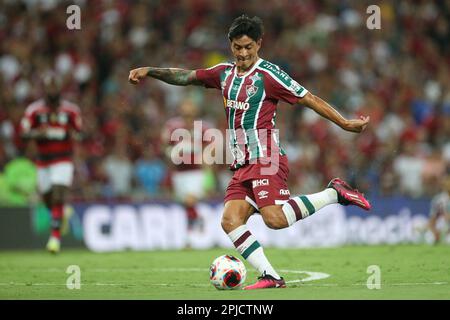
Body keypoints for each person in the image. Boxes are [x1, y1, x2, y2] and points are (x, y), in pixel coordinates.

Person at [129, 15, 371, 289]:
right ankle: (271, 276)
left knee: (275, 220)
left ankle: (334, 193)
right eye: (237, 47)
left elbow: (309, 98)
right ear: (230, 46)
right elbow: (185, 76)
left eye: (248, 47)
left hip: (265, 156)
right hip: (241, 162)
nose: (243, 53)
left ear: (259, 44)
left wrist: (345, 123)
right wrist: (150, 70)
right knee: (230, 220)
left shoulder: (269, 75)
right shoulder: (223, 73)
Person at [20, 73, 82, 253]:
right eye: (49, 86)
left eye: (55, 86)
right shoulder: (34, 110)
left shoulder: (71, 110)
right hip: (43, 161)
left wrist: (73, 134)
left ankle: (54, 238)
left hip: (63, 159)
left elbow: (80, 132)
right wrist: (38, 134)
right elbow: (24, 133)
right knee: (48, 199)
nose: (52, 90)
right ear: (44, 89)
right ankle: (61, 214)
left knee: (57, 194)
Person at [161, 99, 211, 232]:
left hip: (196, 172)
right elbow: (164, 146)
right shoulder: (172, 126)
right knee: (184, 204)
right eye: (185, 106)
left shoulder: (204, 127)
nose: (188, 109)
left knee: (190, 200)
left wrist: (208, 178)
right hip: (179, 172)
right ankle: (193, 230)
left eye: (190, 106)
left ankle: (195, 229)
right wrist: (171, 154)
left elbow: (210, 153)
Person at [428, 175, 450, 244]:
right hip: (441, 228)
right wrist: (434, 231)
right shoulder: (438, 200)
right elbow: (432, 219)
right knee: (429, 238)